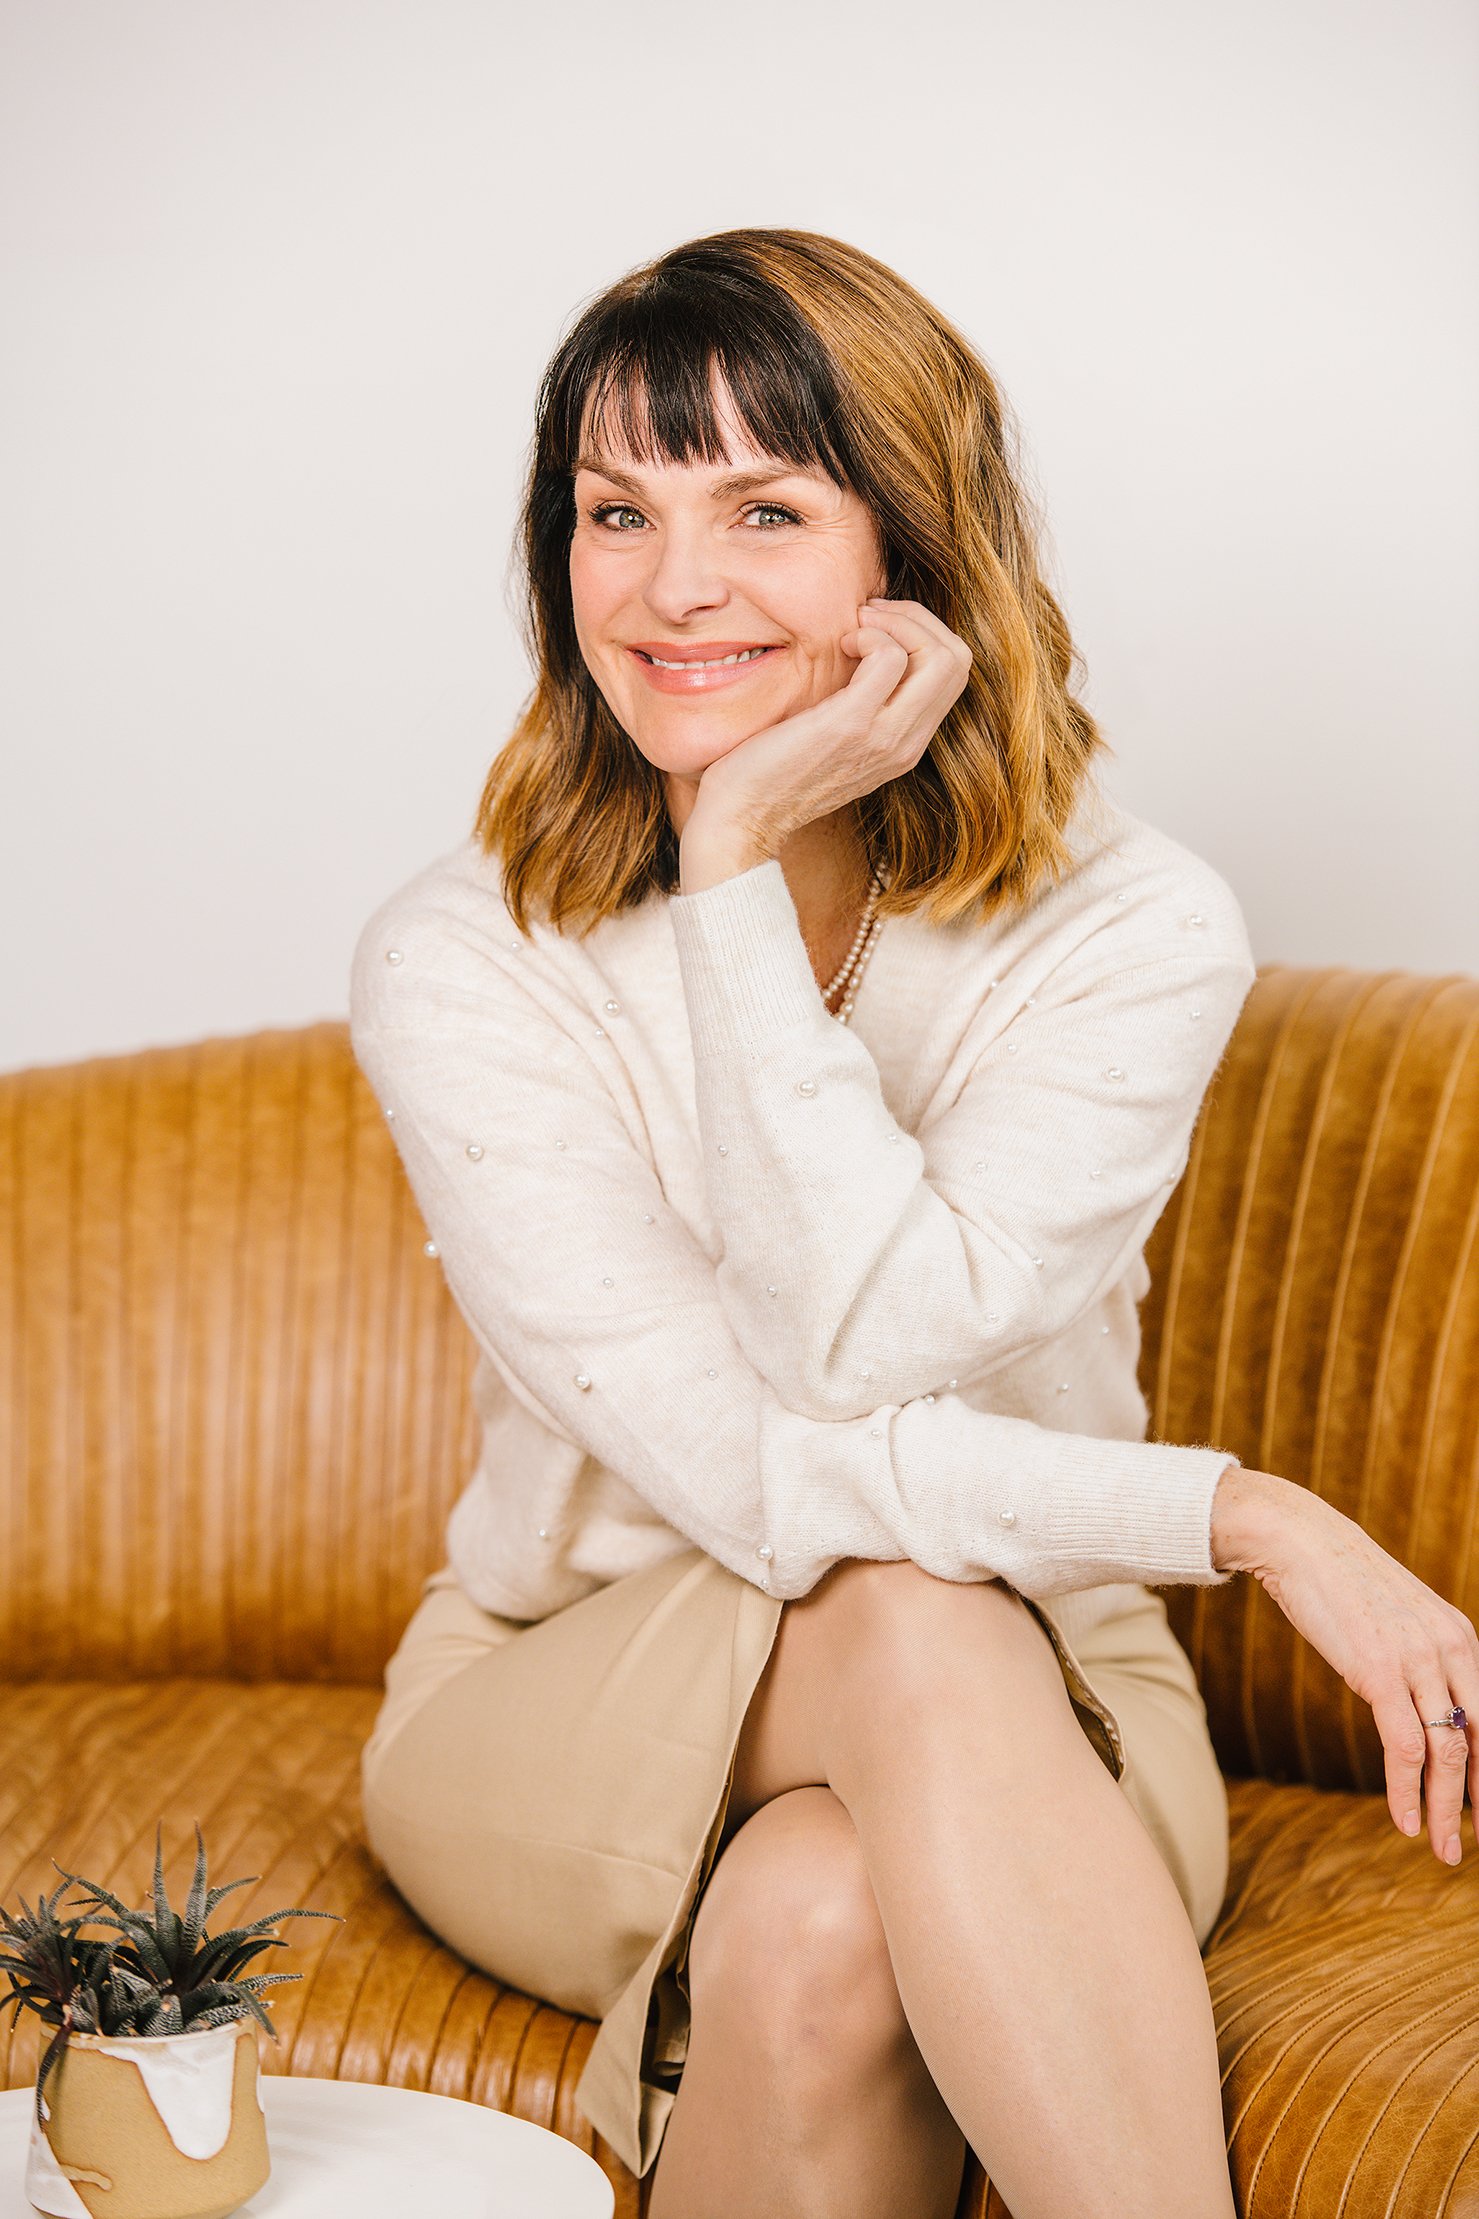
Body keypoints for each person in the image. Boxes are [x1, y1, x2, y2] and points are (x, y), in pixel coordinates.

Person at [348, 227, 1479, 2219]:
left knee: (819, 1914)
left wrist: (732, 881)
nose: (671, 585)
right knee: (893, 1607)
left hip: (1046, 1685)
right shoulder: (467, 957)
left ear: (913, 552)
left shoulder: (1124, 935)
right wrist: (1238, 1514)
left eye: (763, 508)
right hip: (563, 1685)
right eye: (615, 510)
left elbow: (859, 1340)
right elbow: (755, 1458)